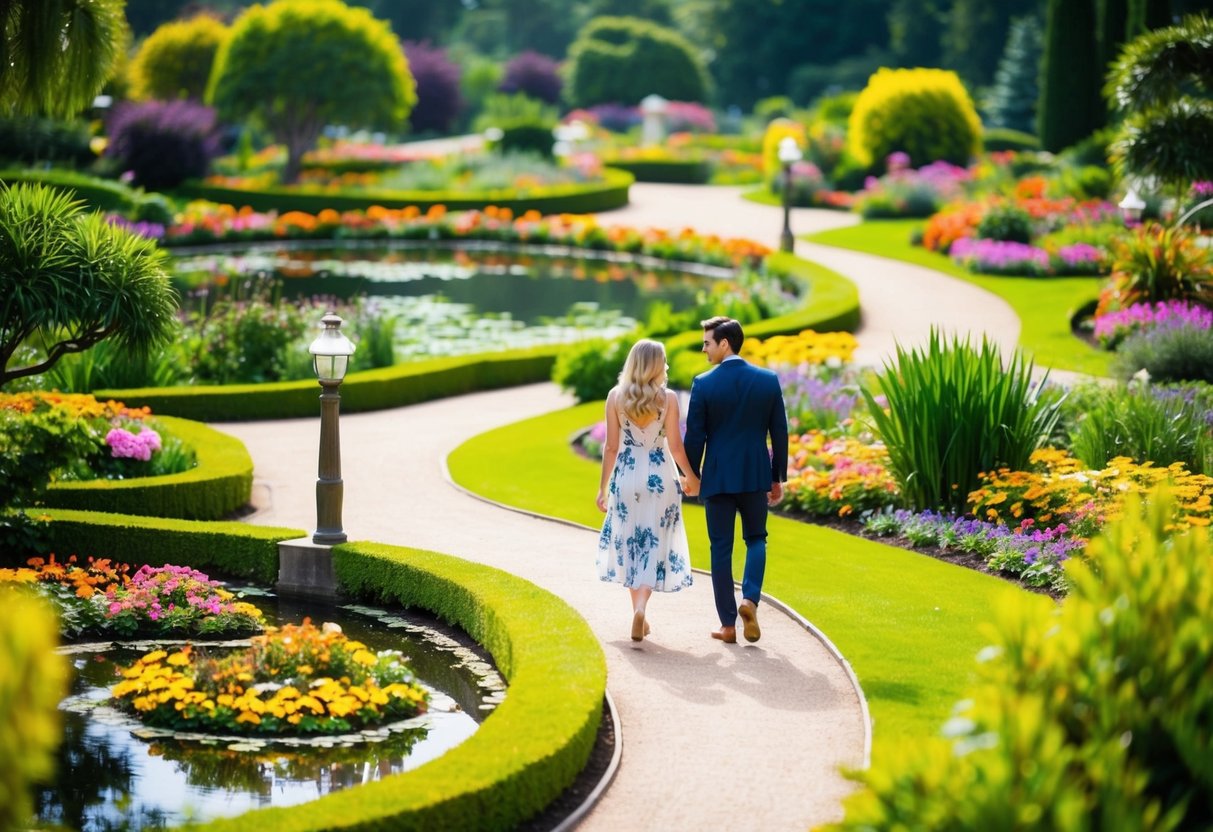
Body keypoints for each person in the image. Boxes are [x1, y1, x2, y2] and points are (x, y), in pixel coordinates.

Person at [683, 316, 788, 644]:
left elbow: (694, 439)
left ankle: (728, 626)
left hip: (717, 478)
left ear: (724, 343)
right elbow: (780, 434)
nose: (704, 349)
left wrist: (692, 476)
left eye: (707, 342)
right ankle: (749, 600)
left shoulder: (703, 384)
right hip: (755, 474)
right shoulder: (768, 380)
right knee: (756, 539)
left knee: (720, 550)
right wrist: (777, 477)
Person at [596, 339, 699, 642]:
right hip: (659, 475)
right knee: (654, 540)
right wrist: (692, 477)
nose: (666, 365)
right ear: (656, 365)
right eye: (664, 360)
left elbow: (611, 446)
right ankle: (641, 607)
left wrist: (602, 487)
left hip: (627, 475)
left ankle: (637, 611)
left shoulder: (615, 397)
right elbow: (677, 448)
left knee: (631, 539)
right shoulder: (667, 399)